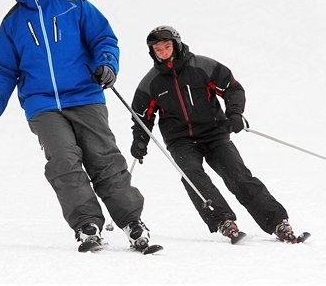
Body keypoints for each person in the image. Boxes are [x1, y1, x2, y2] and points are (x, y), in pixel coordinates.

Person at [0, 0, 151, 251]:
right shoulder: (13, 22)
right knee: (63, 161)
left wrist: (107, 65)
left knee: (103, 157)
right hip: (42, 103)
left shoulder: (74, 5)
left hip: (85, 94)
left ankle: (130, 220)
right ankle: (87, 223)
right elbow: (4, 68)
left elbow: (103, 38)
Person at [129, 25, 302, 243]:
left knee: (238, 175)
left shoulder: (202, 66)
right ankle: (222, 220)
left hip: (214, 134)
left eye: (166, 47)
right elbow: (141, 116)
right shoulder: (151, 82)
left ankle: (277, 222)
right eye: (158, 50)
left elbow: (232, 88)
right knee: (192, 176)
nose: (163, 53)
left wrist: (235, 113)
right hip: (180, 141)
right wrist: (139, 140)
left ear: (177, 45)